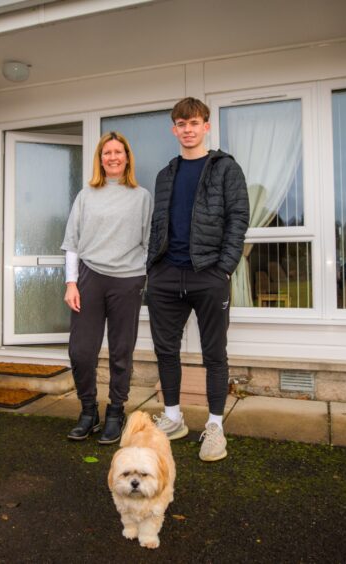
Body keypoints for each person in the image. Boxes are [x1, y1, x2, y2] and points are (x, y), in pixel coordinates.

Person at [146, 97, 249, 462]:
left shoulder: (226, 169)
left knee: (214, 353)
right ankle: (173, 417)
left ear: (206, 126)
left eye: (194, 123)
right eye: (181, 124)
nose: (188, 130)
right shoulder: (165, 174)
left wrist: (224, 267)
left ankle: (216, 427)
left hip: (209, 273)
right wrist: (153, 270)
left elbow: (238, 218)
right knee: (165, 349)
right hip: (166, 274)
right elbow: (159, 225)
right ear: (174, 129)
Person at [61, 131, 153, 445]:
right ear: (100, 159)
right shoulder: (86, 195)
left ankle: (116, 411)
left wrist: (140, 277)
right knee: (81, 351)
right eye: (106, 153)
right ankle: (88, 410)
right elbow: (72, 242)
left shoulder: (141, 196)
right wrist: (71, 282)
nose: (112, 157)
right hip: (89, 278)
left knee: (121, 351)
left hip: (127, 281)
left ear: (127, 157)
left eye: (118, 152)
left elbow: (148, 243)